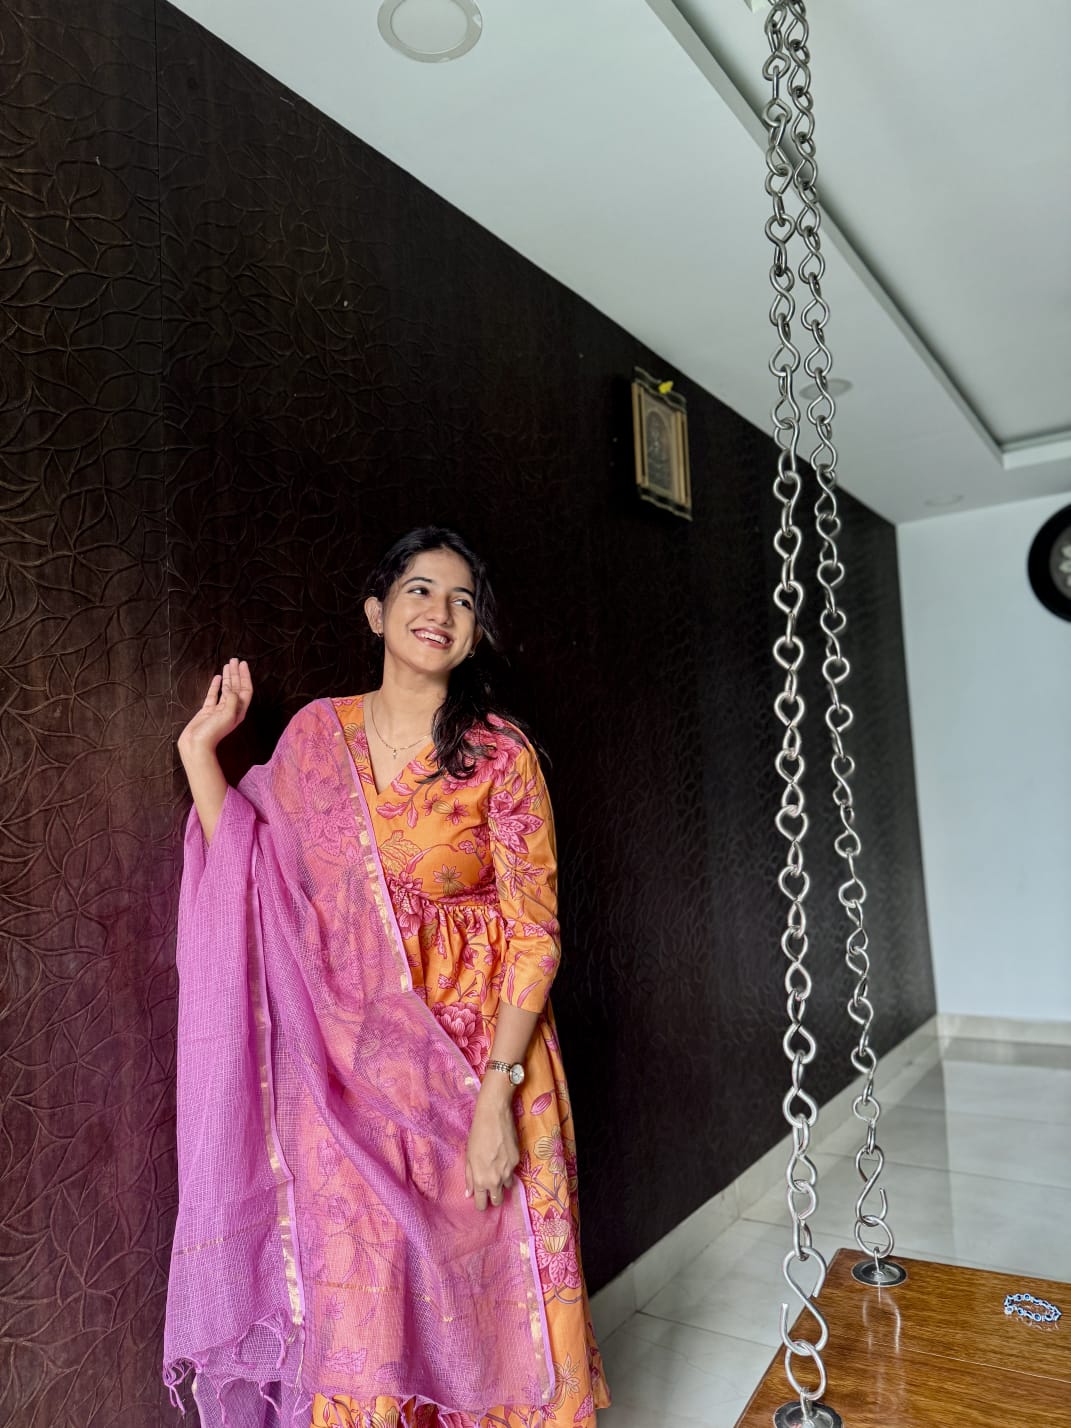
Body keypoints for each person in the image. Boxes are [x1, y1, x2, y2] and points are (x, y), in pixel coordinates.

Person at [165, 528, 608, 1428]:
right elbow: (257, 875)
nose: (439, 611)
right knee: (362, 1295)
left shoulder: (499, 756)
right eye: (419, 590)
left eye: (461, 600)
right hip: (346, 1073)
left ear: (474, 633)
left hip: (481, 1066)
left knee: (485, 1294)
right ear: (376, 612)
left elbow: (534, 937)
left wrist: (497, 1099)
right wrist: (199, 752)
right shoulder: (317, 737)